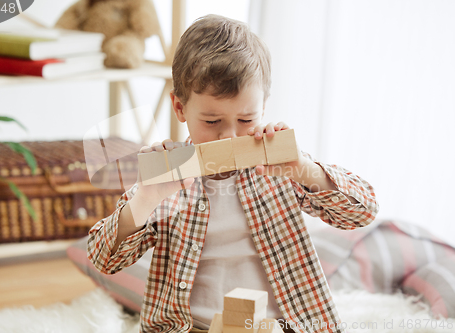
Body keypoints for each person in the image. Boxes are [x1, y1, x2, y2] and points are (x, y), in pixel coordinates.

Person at [87, 14, 379, 333]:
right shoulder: (167, 176)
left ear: (264, 106)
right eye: (212, 122)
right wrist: (146, 198)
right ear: (180, 107)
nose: (229, 136)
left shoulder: (280, 164)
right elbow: (104, 259)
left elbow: (363, 213)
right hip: (191, 327)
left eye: (245, 119)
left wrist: (303, 169)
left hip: (277, 326)